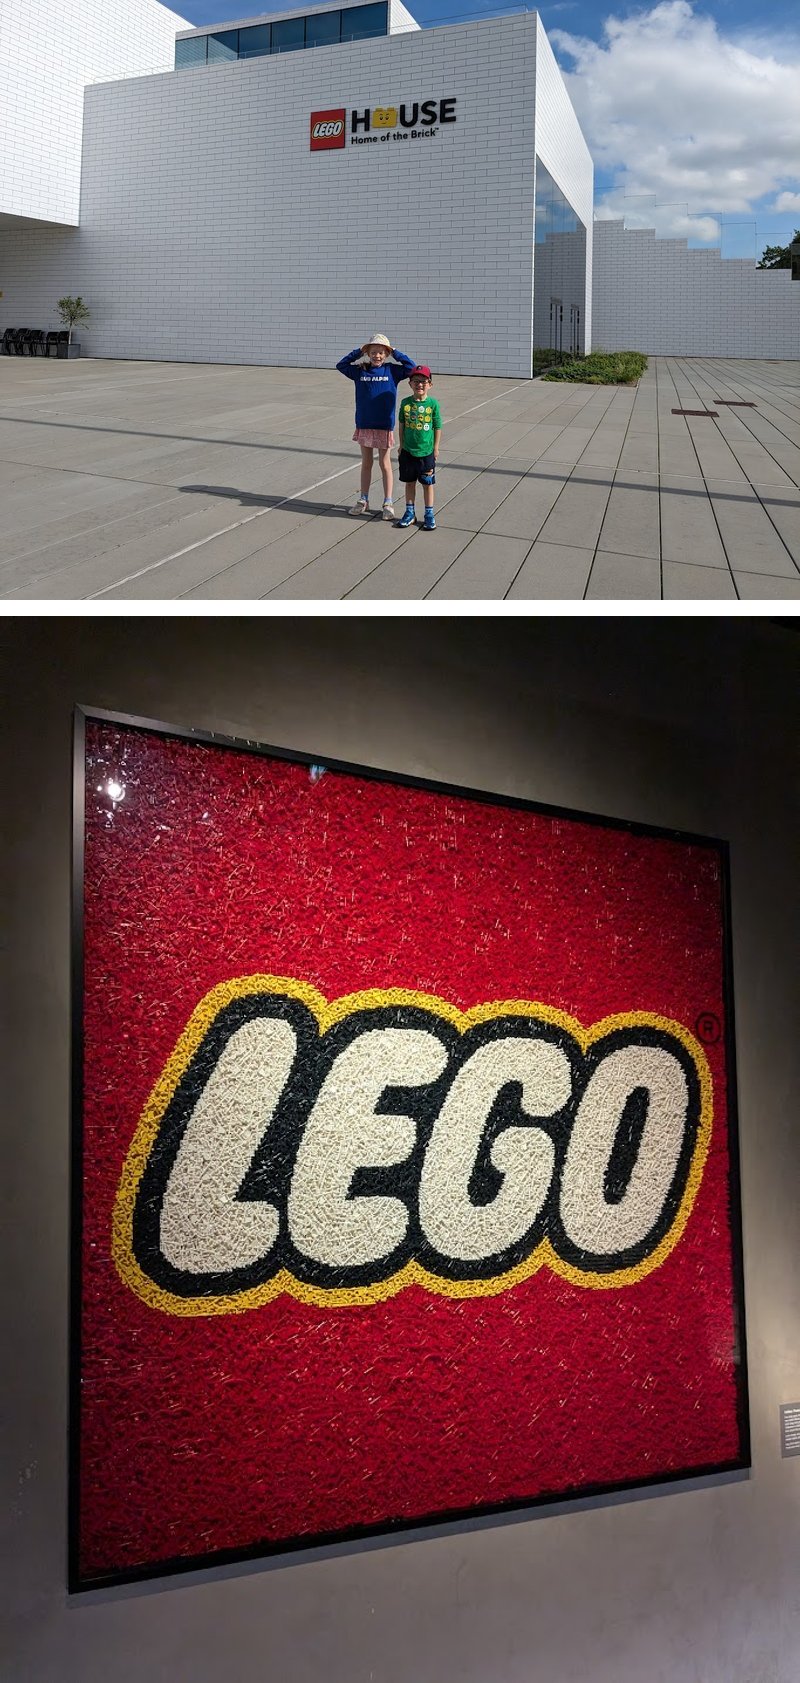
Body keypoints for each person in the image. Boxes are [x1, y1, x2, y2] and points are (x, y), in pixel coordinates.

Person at [336, 334, 416, 519]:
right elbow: (341, 365)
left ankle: (388, 501)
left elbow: (411, 368)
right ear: (368, 353)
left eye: (381, 352)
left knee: (385, 464)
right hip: (365, 424)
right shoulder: (360, 370)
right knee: (366, 463)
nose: (377, 356)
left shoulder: (392, 371)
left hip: (384, 425)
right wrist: (359, 351)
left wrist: (395, 352)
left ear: (386, 354)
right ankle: (364, 499)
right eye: (373, 352)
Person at [394, 366, 442, 531]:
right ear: (410, 384)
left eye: (423, 381)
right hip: (408, 451)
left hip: (426, 453)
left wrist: (435, 448)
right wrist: (401, 445)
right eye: (416, 381)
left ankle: (429, 514)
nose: (419, 384)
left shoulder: (433, 404)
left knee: (427, 484)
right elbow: (401, 425)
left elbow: (437, 426)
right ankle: (410, 513)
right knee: (409, 483)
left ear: (430, 384)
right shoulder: (405, 403)